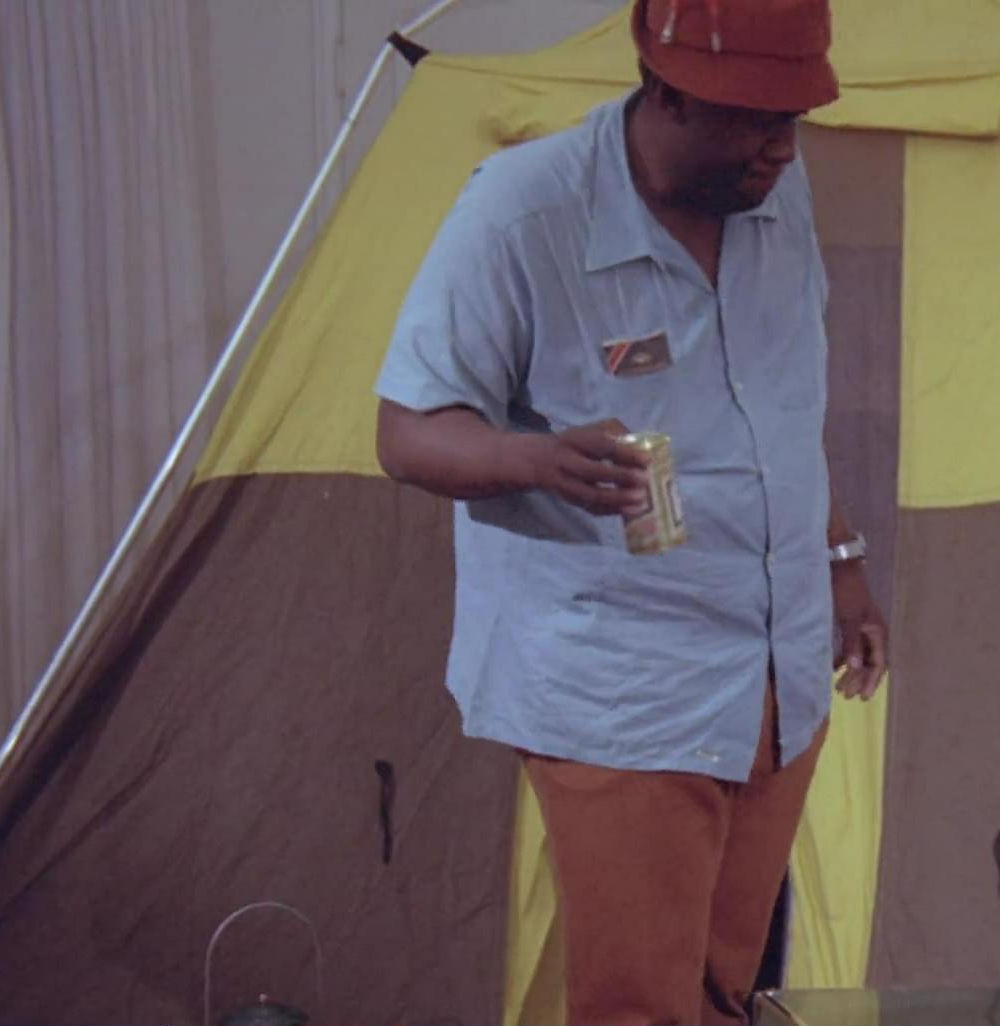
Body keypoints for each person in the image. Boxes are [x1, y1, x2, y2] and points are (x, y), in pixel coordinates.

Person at [373, 0, 887, 1021]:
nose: (783, 149)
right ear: (667, 92)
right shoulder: (524, 212)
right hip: (626, 685)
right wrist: (532, 458)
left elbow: (787, 407)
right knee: (639, 1007)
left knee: (723, 991)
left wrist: (840, 563)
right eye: (755, 119)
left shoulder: (775, 195)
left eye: (794, 118)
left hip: (775, 673)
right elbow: (408, 430)